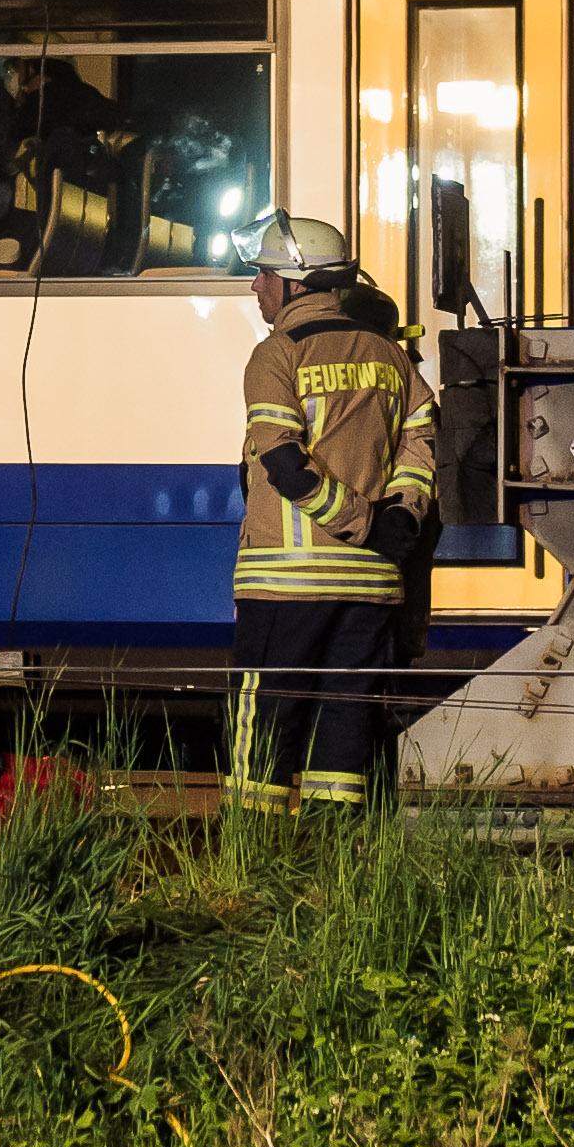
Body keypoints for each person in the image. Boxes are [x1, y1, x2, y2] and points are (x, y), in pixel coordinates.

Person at [225, 211, 438, 818]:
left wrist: (358, 521)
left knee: (264, 726)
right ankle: (337, 857)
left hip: (286, 582)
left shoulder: (275, 356)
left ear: (295, 284)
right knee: (343, 726)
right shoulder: (394, 361)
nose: (256, 287)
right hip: (370, 585)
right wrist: (398, 519)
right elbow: (420, 448)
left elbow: (284, 463)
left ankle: (252, 857)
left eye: (264, 274)